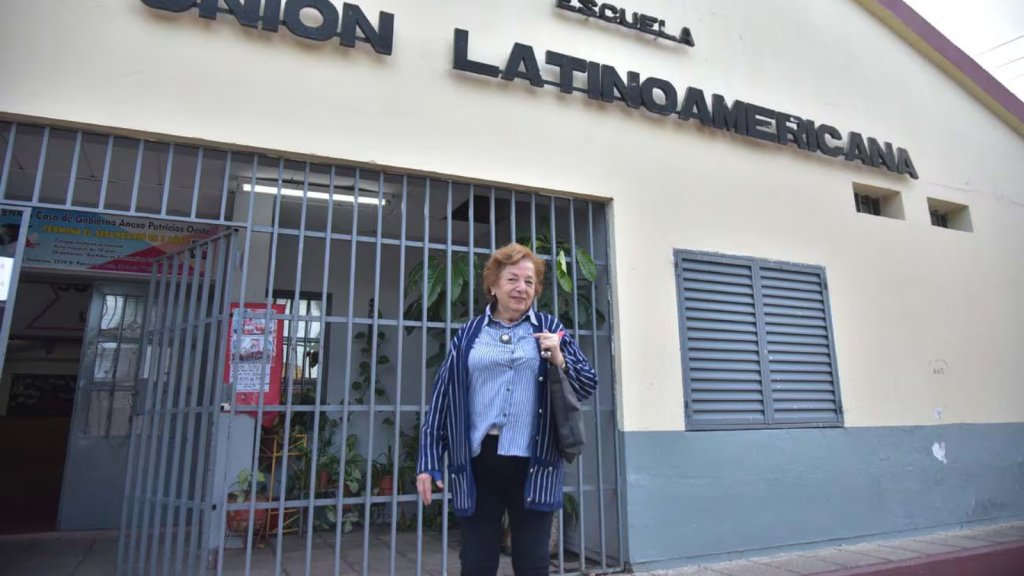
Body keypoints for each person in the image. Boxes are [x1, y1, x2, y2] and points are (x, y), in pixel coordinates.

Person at [417, 242, 598, 576]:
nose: (521, 288)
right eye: (513, 279)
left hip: (534, 461)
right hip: (478, 461)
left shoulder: (549, 329)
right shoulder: (469, 334)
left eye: (529, 282)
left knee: (532, 564)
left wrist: (560, 358)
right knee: (476, 563)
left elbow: (588, 383)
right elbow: (442, 399)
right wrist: (428, 462)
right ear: (494, 286)